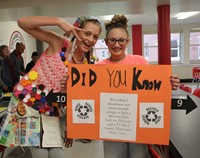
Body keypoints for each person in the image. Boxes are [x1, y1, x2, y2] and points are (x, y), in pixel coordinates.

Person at [0, 15, 101, 158]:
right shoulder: (59, 43)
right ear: (76, 30)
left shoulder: (84, 65)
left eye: (95, 37)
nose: (91, 39)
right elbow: (22, 22)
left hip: (51, 112)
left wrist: (72, 129)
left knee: (57, 154)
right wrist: (58, 22)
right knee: (39, 154)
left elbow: (75, 100)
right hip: (28, 106)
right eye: (87, 33)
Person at [96, 14, 180, 158]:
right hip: (111, 128)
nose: (117, 45)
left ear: (127, 41)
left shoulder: (139, 61)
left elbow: (153, 88)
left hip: (137, 127)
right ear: (106, 42)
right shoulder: (98, 67)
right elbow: (91, 95)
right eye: (112, 40)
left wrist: (169, 84)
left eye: (121, 40)